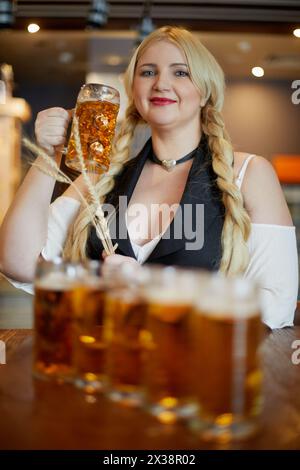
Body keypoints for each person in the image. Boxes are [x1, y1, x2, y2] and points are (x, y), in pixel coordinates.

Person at [0, 26, 298, 328]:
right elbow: (18, 262)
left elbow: (277, 303)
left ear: (205, 90)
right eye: (148, 72)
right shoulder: (102, 180)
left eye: (180, 73)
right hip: (106, 365)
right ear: (134, 92)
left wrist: (150, 288)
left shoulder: (249, 173)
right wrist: (49, 155)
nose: (161, 84)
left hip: (198, 371)